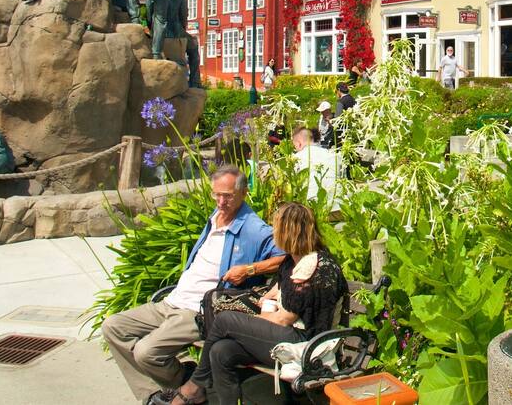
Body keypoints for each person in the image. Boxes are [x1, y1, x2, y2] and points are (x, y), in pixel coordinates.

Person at [102, 166, 286, 402]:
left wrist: (250, 269)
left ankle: (191, 388)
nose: (221, 201)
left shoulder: (253, 228)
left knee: (146, 352)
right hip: (172, 300)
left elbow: (285, 257)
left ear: (243, 193)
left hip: (198, 311)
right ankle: (160, 391)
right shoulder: (215, 216)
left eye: (228, 195)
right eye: (216, 194)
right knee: (113, 326)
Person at [157, 202, 348, 405]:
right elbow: (277, 290)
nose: (273, 233)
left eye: (276, 228)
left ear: (287, 233)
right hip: (290, 335)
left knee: (226, 320)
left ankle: (195, 386)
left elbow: (283, 319)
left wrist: (250, 321)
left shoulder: (314, 267)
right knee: (221, 351)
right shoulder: (294, 261)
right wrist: (265, 302)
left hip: (308, 343)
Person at [291, 127, 338, 204]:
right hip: (338, 206)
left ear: (299, 143)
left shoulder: (296, 158)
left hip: (311, 207)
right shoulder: (334, 155)